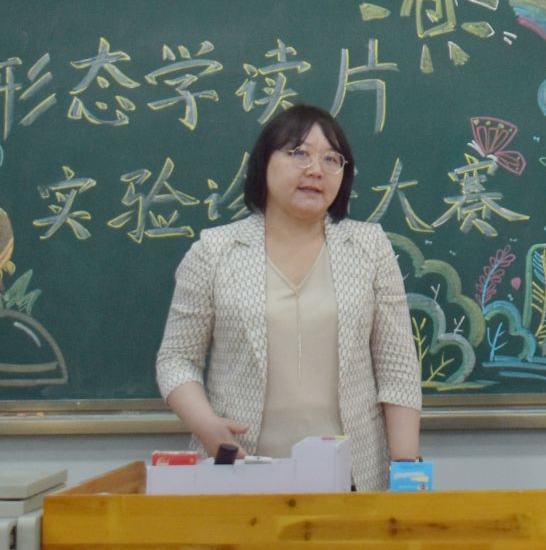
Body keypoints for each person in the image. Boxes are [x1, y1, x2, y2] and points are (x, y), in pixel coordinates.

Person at [156, 106, 422, 491]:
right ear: (264, 163)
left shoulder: (370, 248)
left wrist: (407, 472)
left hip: (352, 479)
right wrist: (206, 426)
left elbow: (398, 368)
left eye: (331, 159)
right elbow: (176, 360)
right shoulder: (214, 252)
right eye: (299, 153)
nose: (315, 170)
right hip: (241, 473)